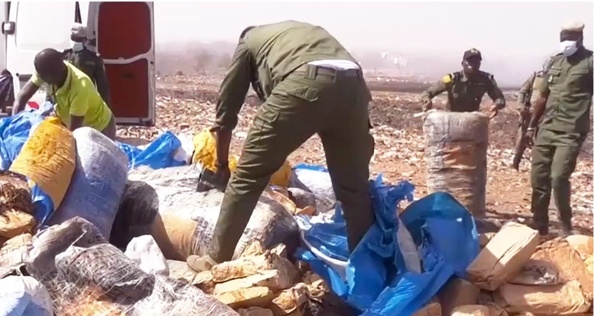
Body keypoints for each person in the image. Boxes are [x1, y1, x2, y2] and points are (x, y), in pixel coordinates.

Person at [186, 21, 375, 271]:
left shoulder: (248, 42)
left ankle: (214, 260)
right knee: (354, 192)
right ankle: (366, 273)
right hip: (354, 88)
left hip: (304, 82)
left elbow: (226, 110)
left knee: (247, 177)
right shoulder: (294, 34)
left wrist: (221, 166)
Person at [526, 22, 594, 237]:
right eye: (563, 38)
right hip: (547, 128)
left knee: (558, 178)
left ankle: (565, 225)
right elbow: (543, 96)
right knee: (538, 178)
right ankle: (539, 224)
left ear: (580, 38)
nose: (566, 43)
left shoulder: (592, 62)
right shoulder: (555, 61)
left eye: (570, 38)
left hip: (571, 131)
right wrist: (531, 125)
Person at [11, 48, 116, 140]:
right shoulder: (45, 71)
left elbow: (73, 133)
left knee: (90, 161)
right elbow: (21, 98)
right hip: (74, 123)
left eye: (44, 78)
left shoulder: (80, 87)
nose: (42, 81)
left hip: (100, 127)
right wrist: (14, 126)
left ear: (57, 72)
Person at [421, 49, 506, 117]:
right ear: (462, 63)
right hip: (451, 119)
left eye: (476, 61)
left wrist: (496, 105)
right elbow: (427, 93)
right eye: (470, 61)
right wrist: (427, 102)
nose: (473, 64)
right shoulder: (452, 79)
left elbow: (500, 98)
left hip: (472, 120)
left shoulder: (486, 80)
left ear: (480, 64)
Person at [66, 23, 111, 105]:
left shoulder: (93, 59)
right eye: (74, 38)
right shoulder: (63, 56)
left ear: (84, 40)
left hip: (86, 101)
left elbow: (102, 86)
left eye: (79, 39)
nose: (76, 42)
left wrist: (106, 107)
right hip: (66, 101)